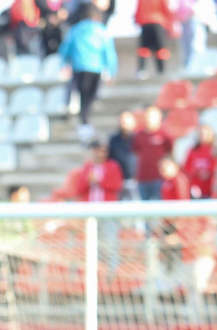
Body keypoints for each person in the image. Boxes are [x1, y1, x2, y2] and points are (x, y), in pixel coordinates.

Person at [59, 11, 118, 143]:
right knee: (89, 97)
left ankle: (84, 123)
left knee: (83, 97)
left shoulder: (75, 30)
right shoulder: (102, 31)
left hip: (79, 68)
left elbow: (65, 49)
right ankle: (85, 124)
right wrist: (112, 71)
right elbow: (109, 53)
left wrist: (64, 63)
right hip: (96, 68)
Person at [51, 143, 125, 200]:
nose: (100, 154)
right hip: (90, 203)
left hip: (107, 204)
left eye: (103, 151)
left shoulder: (113, 166)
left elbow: (117, 186)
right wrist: (88, 181)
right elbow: (80, 188)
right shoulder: (88, 167)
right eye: (97, 151)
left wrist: (100, 181)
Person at [133, 105, 175, 200]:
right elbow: (136, 153)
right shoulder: (139, 136)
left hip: (159, 178)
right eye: (148, 116)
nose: (149, 119)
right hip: (143, 179)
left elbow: (170, 153)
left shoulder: (164, 135)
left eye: (152, 116)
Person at [135, 0, 175, 77]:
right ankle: (161, 70)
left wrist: (138, 21)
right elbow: (167, 11)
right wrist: (170, 26)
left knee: (144, 48)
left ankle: (142, 69)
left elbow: (138, 11)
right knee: (159, 49)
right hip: (158, 23)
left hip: (146, 24)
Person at [107, 110, 140, 198]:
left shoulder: (139, 137)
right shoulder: (114, 139)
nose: (124, 122)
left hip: (137, 181)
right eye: (122, 119)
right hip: (119, 182)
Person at [184, 124, 217, 198]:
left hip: (211, 190)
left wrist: (208, 173)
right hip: (196, 190)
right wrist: (196, 172)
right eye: (202, 134)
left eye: (206, 134)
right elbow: (187, 168)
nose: (204, 136)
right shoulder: (193, 150)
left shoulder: (215, 150)